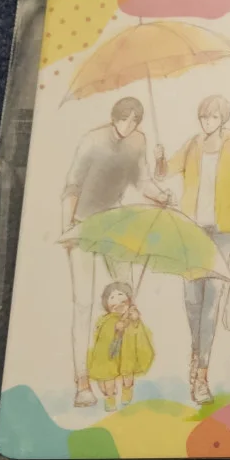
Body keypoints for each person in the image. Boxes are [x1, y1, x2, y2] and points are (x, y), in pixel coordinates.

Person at [62, 97, 171, 408]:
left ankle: (124, 372)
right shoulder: (92, 140)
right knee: (83, 303)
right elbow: (72, 186)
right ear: (114, 117)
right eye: (124, 119)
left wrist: (161, 195)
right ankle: (82, 381)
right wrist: (67, 228)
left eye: (135, 120)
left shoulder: (139, 142)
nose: (129, 125)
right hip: (83, 224)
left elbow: (142, 181)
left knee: (127, 300)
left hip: (115, 223)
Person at [155, 94, 230, 405]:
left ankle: (201, 375)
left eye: (213, 117)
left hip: (223, 232)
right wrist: (159, 158)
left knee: (211, 304)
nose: (207, 122)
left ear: (223, 118)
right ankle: (197, 353)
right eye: (204, 117)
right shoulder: (193, 145)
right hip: (192, 230)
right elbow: (163, 173)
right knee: (191, 300)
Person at [86, 281, 155, 411]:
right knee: (108, 379)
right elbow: (100, 337)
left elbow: (138, 333)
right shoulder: (105, 319)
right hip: (109, 356)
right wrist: (115, 328)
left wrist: (135, 320)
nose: (117, 300)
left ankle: (127, 390)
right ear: (106, 303)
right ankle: (110, 398)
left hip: (127, 353)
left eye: (120, 295)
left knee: (128, 374)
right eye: (112, 297)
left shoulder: (131, 315)